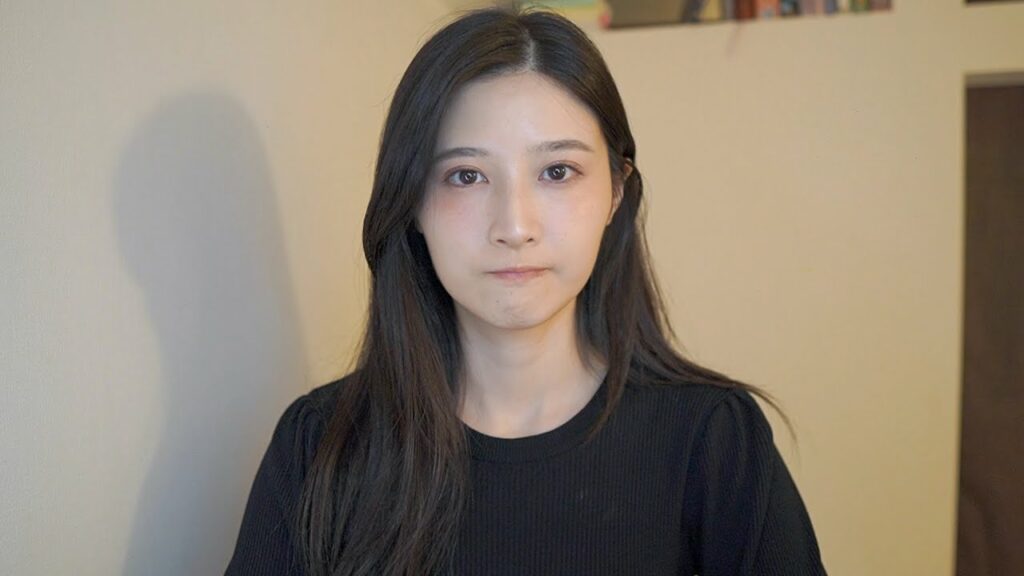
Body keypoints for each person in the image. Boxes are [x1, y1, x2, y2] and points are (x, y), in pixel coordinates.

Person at [225, 6, 827, 576]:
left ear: (616, 191)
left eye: (557, 172)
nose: (514, 227)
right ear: (412, 203)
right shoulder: (319, 444)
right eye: (466, 176)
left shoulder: (714, 439)